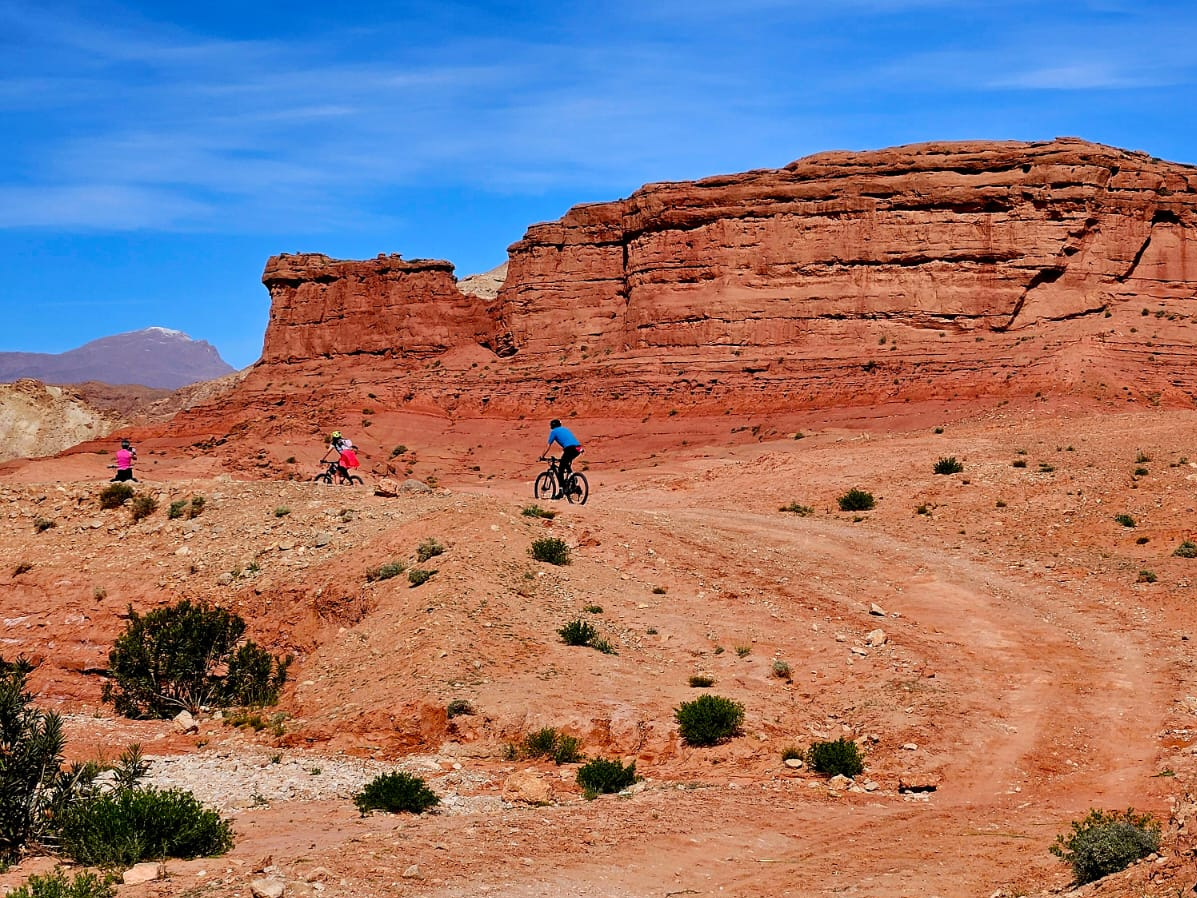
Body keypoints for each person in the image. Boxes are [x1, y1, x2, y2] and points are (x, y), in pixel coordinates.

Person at [545, 419, 583, 494]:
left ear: (552, 426)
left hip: (569, 449)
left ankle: (561, 491)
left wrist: (542, 456)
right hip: (578, 448)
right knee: (565, 462)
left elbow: (548, 445)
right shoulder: (566, 429)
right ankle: (572, 478)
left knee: (560, 470)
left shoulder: (554, 432)